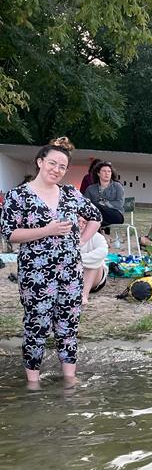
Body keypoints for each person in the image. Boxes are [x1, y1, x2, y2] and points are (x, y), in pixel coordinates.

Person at [0, 141, 102, 386]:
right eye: (53, 163)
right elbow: (8, 233)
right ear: (40, 162)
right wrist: (47, 230)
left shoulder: (70, 194)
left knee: (68, 325)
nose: (57, 169)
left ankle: (69, 378)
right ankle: (33, 383)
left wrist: (79, 241)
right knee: (37, 325)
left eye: (63, 166)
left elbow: (96, 217)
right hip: (36, 274)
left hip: (70, 272)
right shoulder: (18, 195)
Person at [85, 161, 125, 232]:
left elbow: (119, 203)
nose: (107, 173)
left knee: (94, 205)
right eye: (104, 171)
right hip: (98, 216)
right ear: (98, 173)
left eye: (109, 171)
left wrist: (104, 204)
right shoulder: (90, 189)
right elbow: (85, 204)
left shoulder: (117, 186)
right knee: (93, 216)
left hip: (115, 215)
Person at [80, 221, 109, 303]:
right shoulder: (64, 237)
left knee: (95, 260)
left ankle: (84, 295)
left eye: (84, 222)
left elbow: (102, 252)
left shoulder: (97, 237)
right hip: (74, 273)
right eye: (78, 221)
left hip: (95, 277)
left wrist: (77, 259)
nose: (81, 225)